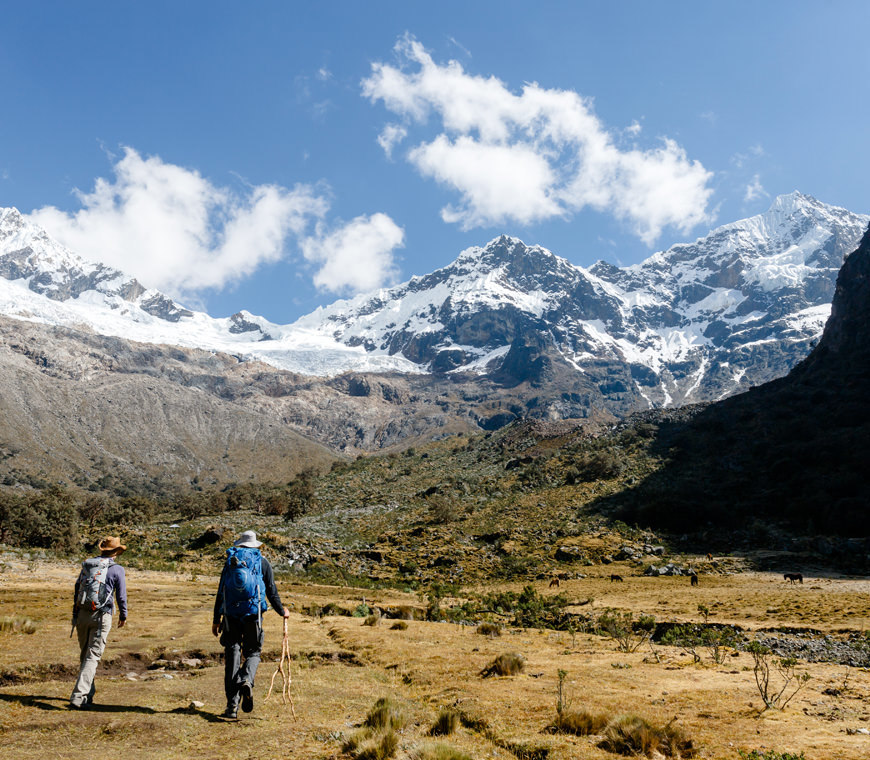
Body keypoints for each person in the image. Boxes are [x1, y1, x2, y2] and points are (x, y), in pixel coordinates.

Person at [213, 530, 290, 719]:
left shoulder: (231, 562)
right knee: (253, 652)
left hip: (231, 616)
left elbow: (221, 591)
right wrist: (282, 611)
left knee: (232, 655)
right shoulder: (262, 562)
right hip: (253, 617)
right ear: (256, 545)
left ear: (240, 544)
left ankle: (232, 707)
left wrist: (216, 619)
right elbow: (271, 591)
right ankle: (247, 679)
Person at [69, 536, 128, 709]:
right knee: (93, 656)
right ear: (116, 552)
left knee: (85, 655)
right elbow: (121, 595)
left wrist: (75, 612)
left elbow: (77, 587)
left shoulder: (88, 565)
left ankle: (88, 694)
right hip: (102, 615)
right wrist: (123, 615)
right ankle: (78, 697)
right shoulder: (117, 569)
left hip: (81, 614)